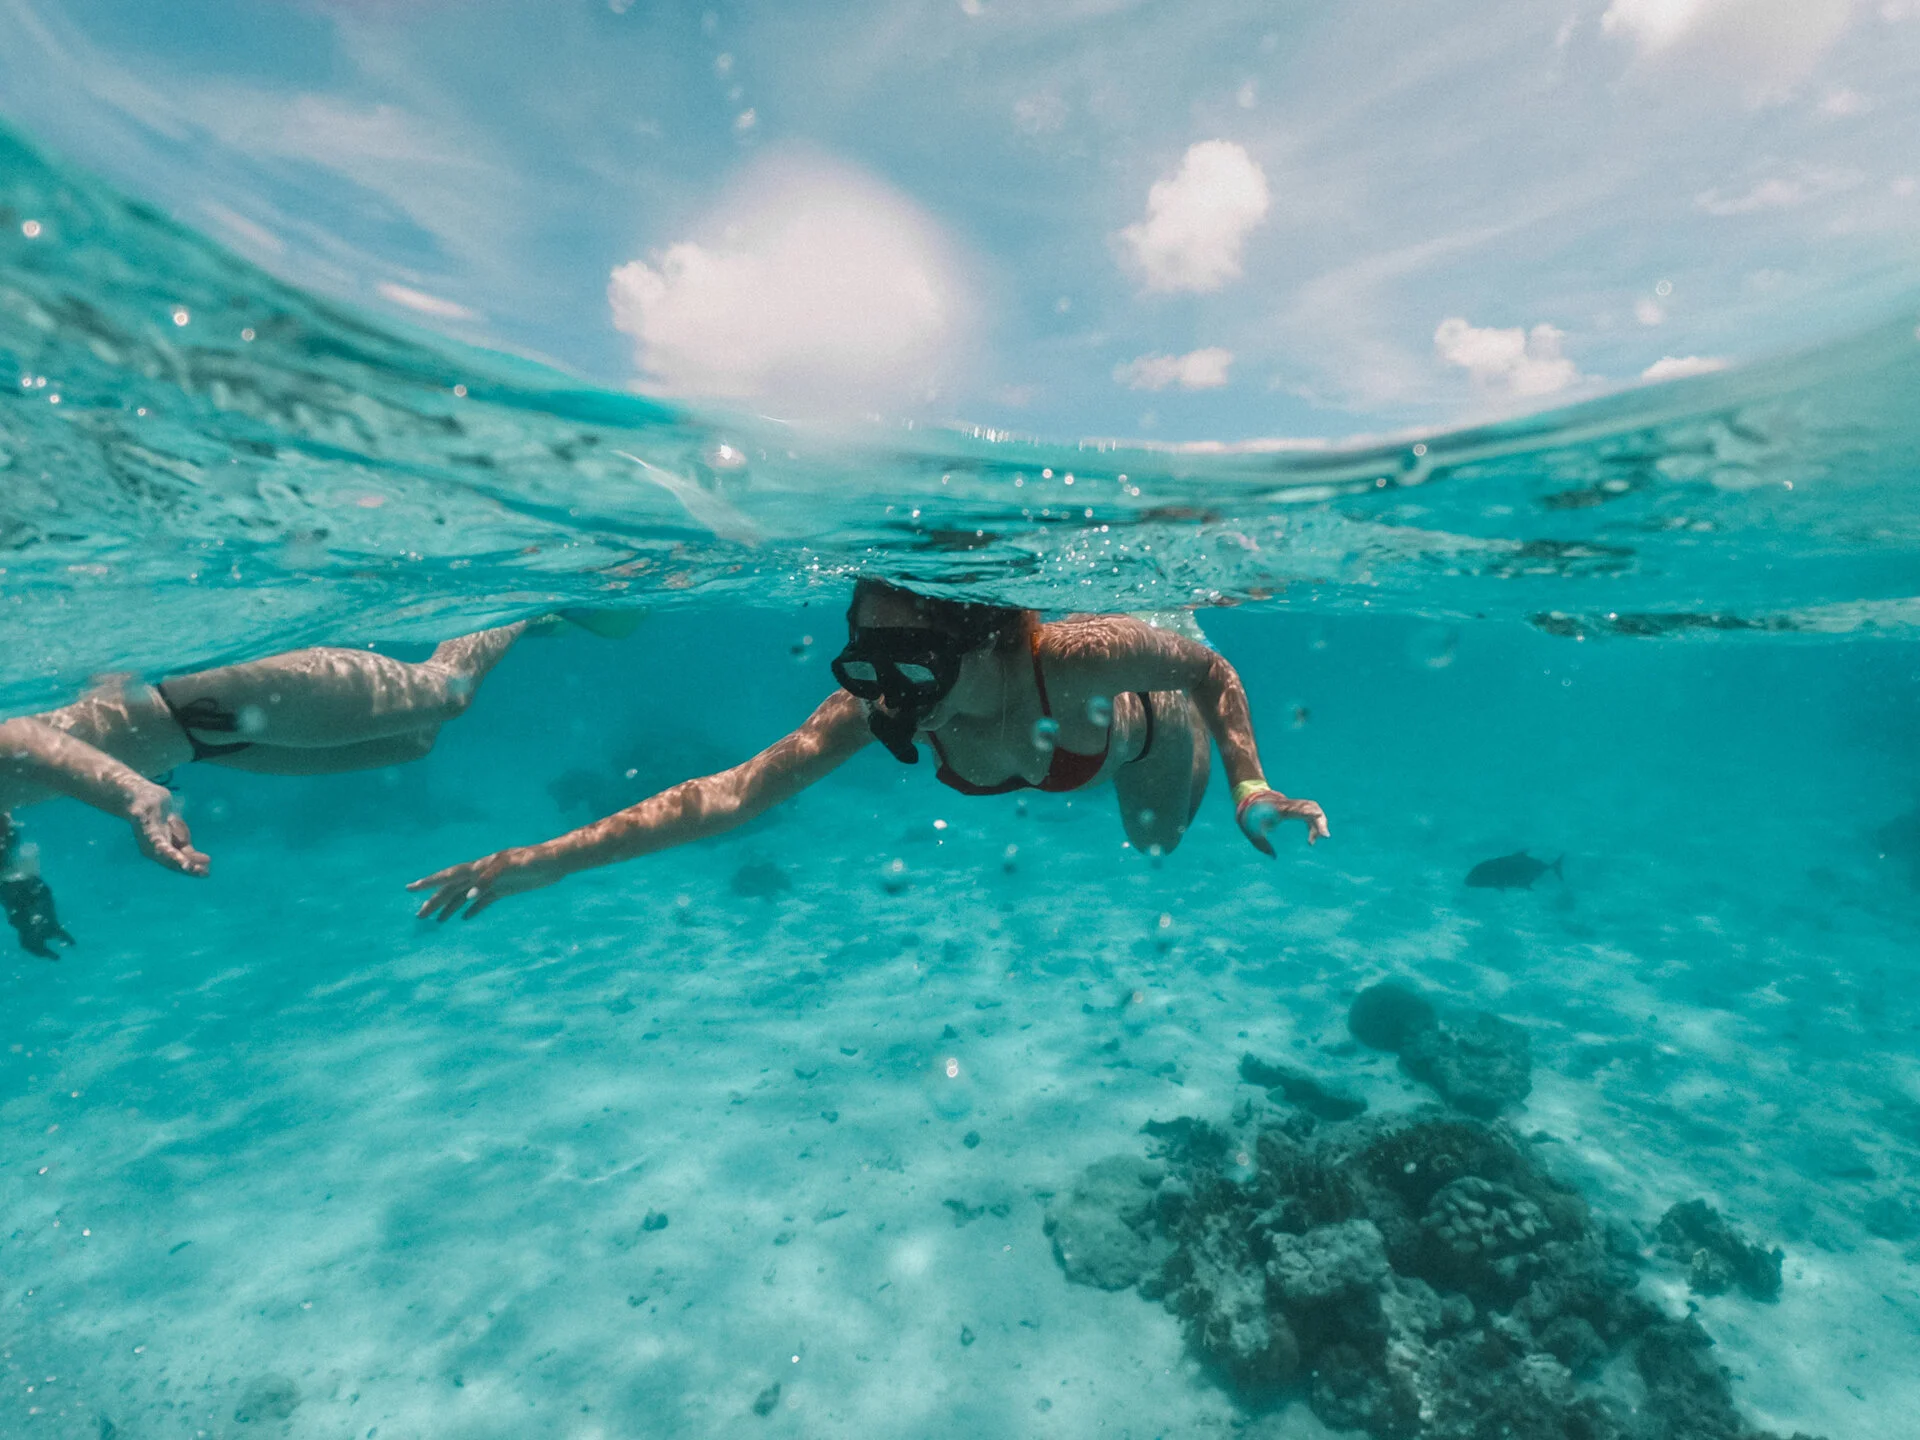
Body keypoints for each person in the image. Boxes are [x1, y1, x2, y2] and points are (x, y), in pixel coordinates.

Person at [410, 580, 1328, 920]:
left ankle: (1180, 590)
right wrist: (545, 863)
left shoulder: (1075, 655)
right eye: (866, 664)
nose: (890, 699)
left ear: (985, 641)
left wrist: (1250, 783)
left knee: (1155, 846)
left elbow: (1206, 672)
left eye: (914, 668)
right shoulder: (877, 704)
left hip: (1147, 745)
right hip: (1056, 745)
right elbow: (729, 795)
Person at [1, 624, 525, 956]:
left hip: (216, 700)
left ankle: (520, 597)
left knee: (448, 690)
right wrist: (27, 905)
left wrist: (133, 796)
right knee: (415, 742)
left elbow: (19, 739)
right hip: (206, 741)